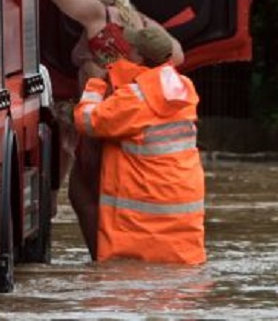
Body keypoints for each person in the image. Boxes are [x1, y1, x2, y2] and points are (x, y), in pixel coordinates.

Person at [36, 0, 183, 259]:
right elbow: (177, 54)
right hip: (129, 117)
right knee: (103, 190)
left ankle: (102, 259)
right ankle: (111, 257)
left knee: (81, 192)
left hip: (102, 115)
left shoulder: (96, 13)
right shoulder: (141, 22)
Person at [73, 24, 205, 265]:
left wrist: (95, 84)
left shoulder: (134, 99)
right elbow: (147, 98)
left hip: (140, 224)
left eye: (131, 49)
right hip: (181, 230)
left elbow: (88, 121)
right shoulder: (184, 86)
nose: (127, 51)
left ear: (140, 57)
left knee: (79, 192)